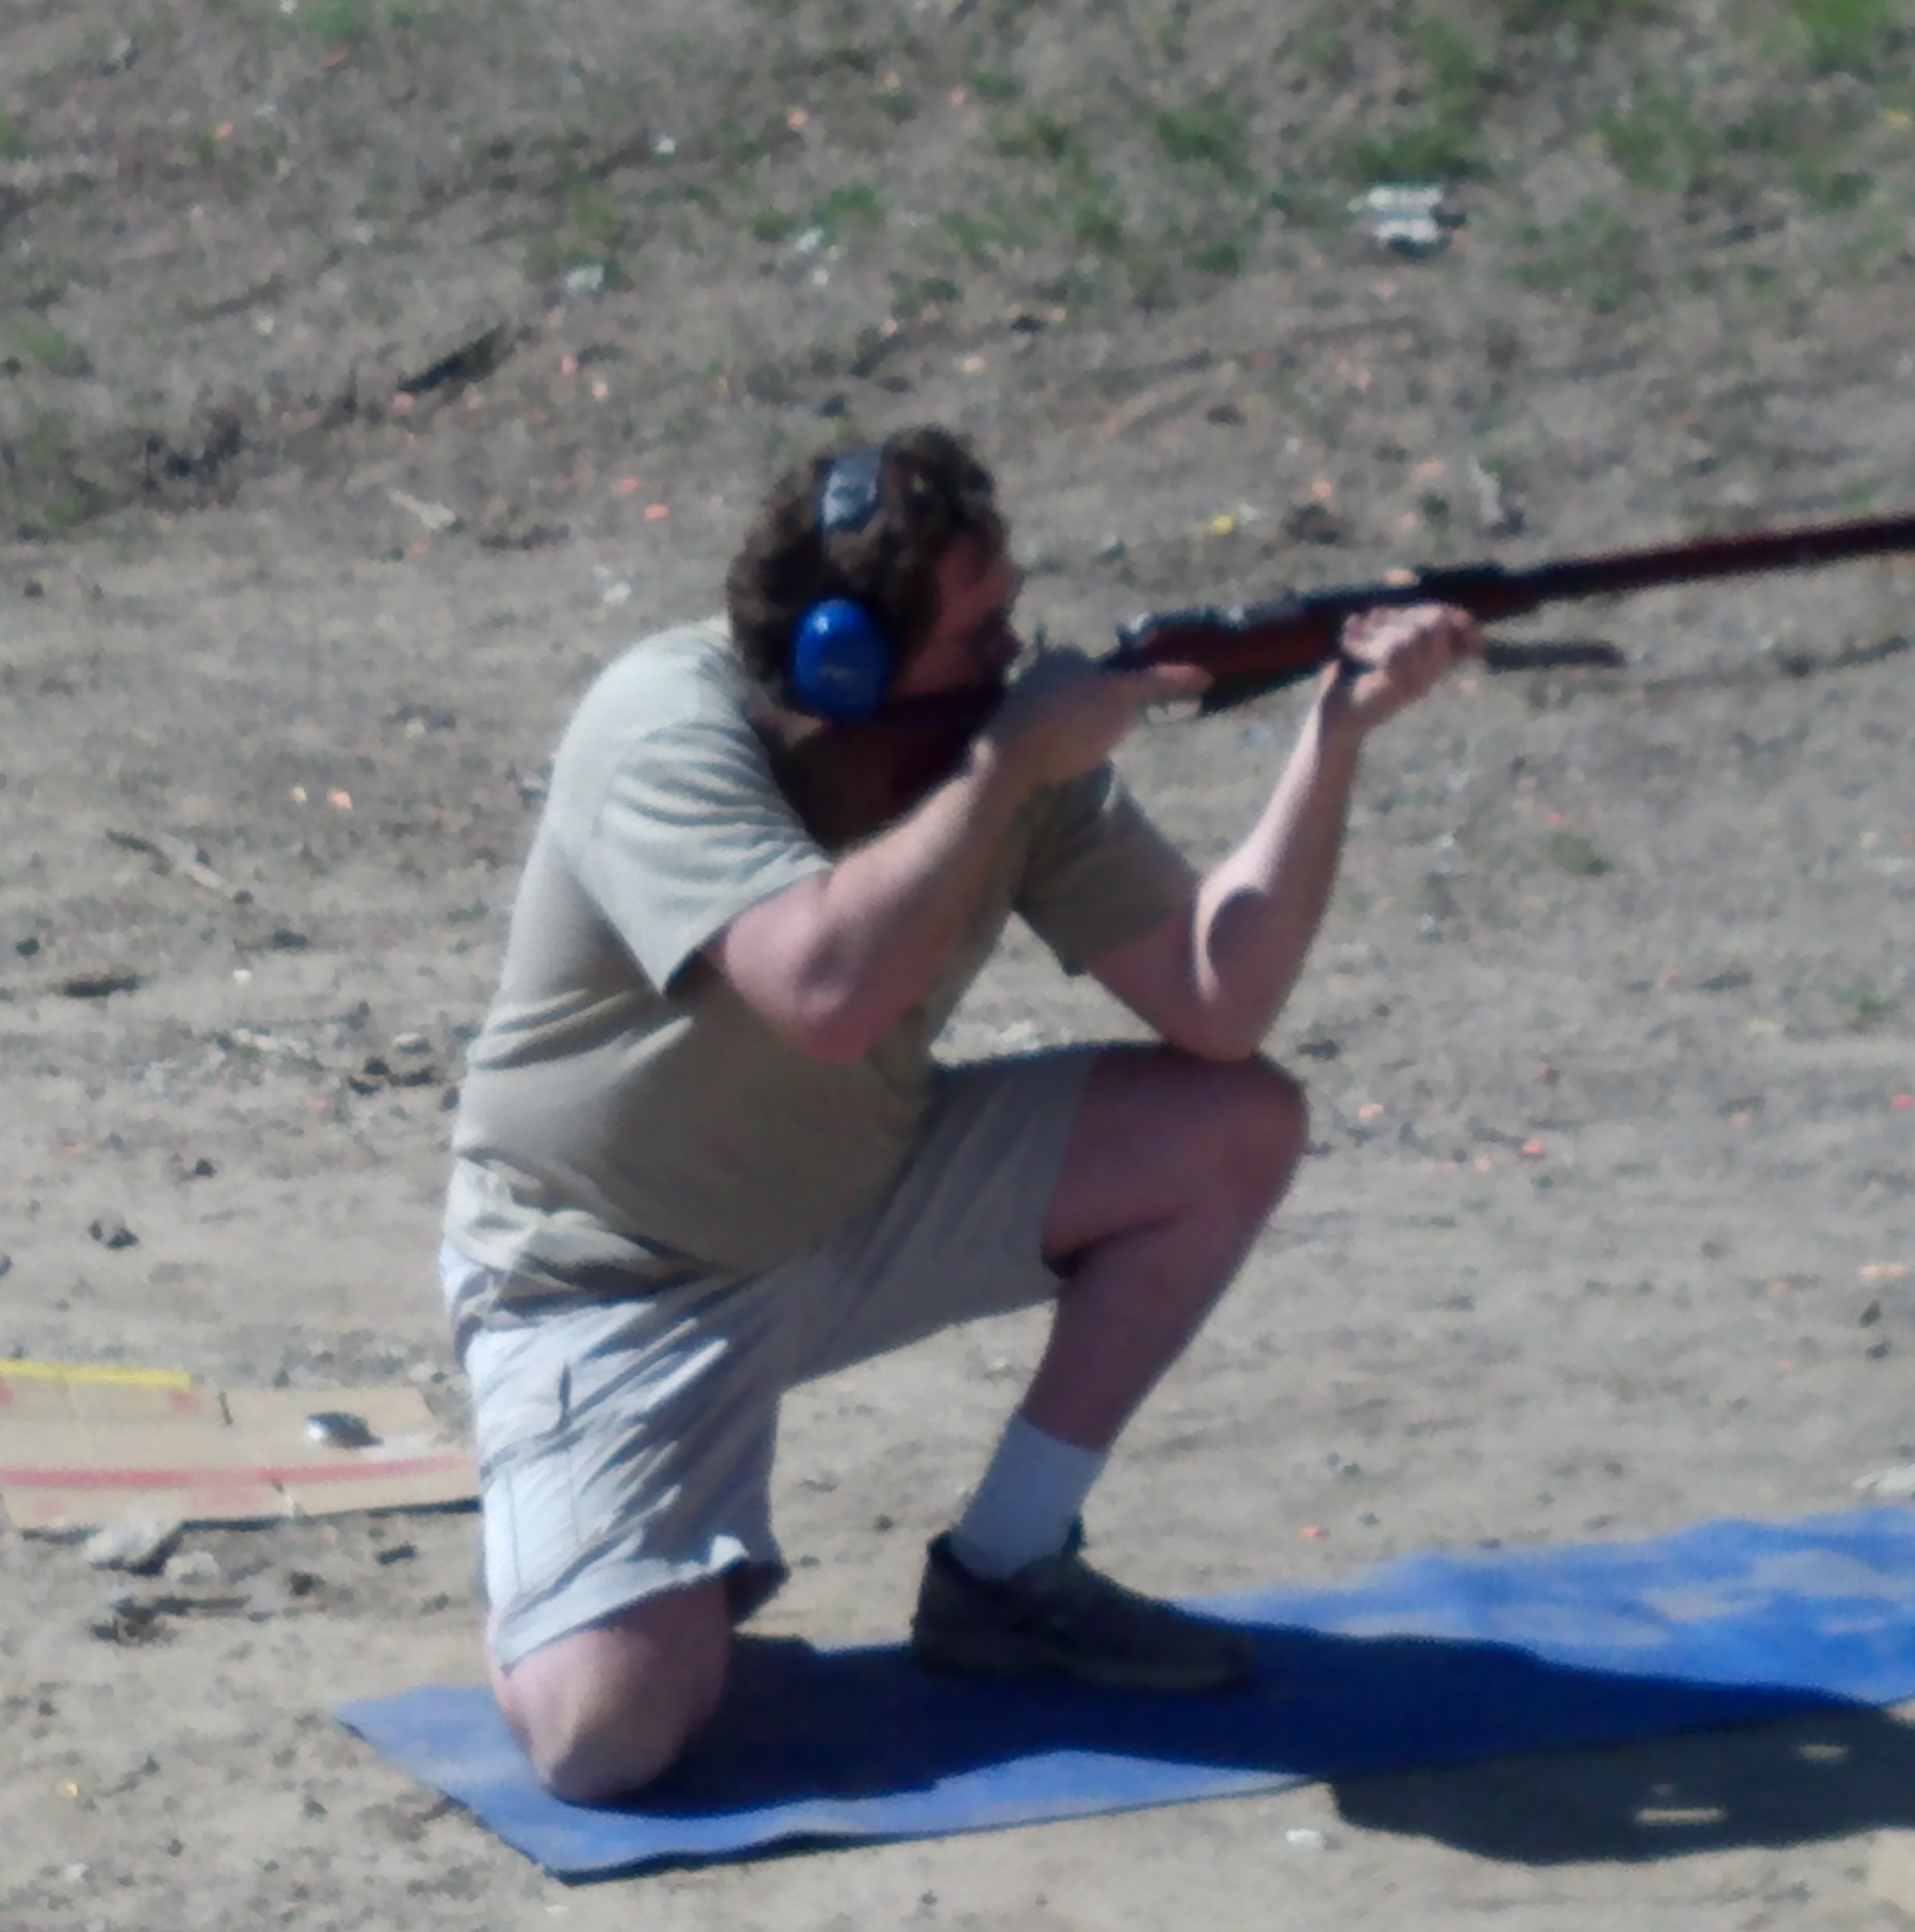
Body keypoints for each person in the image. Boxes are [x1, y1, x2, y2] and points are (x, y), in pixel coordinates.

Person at [438, 425, 1479, 1803]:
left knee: (1230, 1124)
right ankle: (565, 1567)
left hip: (852, 1195)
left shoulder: (1010, 748)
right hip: (610, 1277)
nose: (1016, 656)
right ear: (843, 664)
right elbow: (824, 992)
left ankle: (1007, 1572)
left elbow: (1219, 1000)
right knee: (606, 1739)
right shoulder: (664, 723)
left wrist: (1334, 734)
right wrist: (1000, 771)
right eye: (979, 632)